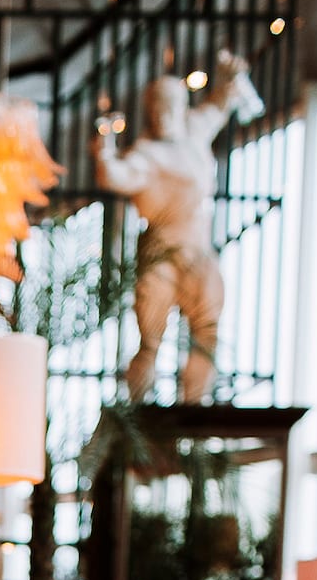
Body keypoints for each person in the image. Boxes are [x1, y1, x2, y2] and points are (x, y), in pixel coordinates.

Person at [92, 55, 258, 403]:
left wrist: (231, 77)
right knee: (150, 343)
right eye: (155, 105)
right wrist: (104, 152)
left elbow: (221, 103)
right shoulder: (145, 154)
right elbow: (116, 175)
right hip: (160, 255)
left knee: (206, 333)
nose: (162, 112)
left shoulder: (195, 132)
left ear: (181, 106)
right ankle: (135, 419)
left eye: (169, 103)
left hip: (197, 250)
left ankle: (193, 413)